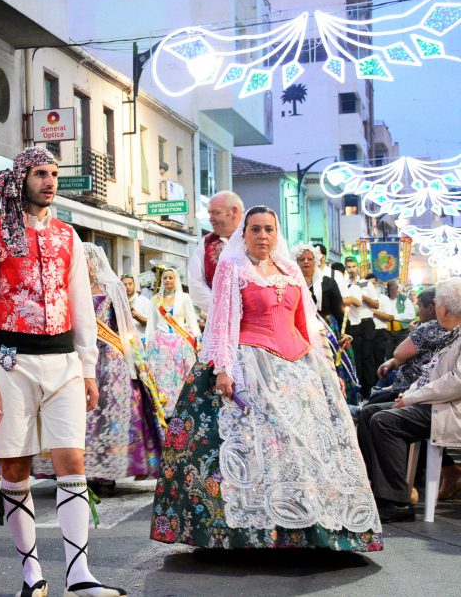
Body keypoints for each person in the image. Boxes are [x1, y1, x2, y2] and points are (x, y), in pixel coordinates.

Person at [150, 206, 382, 551]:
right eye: (255, 229)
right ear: (244, 234)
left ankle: (314, 526)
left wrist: (322, 364)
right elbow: (224, 319)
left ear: (277, 234)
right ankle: (264, 530)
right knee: (265, 445)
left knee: (305, 445)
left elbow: (304, 320)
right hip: (250, 363)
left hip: (296, 366)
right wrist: (224, 369)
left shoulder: (289, 268)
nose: (262, 236)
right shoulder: (233, 267)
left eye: (268, 229)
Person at [0, 147, 124, 597]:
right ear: (21, 179)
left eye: (54, 174)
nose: (49, 181)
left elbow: (82, 307)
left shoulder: (69, 237)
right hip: (10, 364)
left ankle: (79, 574)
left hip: (64, 365)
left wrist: (89, 367)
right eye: (40, 173)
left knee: (72, 460)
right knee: (15, 467)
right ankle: (32, 572)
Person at [36, 244, 165, 492]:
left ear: (95, 263)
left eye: (85, 261)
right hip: (77, 356)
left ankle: (106, 472)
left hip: (109, 360)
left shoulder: (112, 288)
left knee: (107, 417)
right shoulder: (68, 287)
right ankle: (78, 468)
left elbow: (125, 326)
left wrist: (133, 362)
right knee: (77, 415)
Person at [361, 278, 461, 522]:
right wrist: (409, 395)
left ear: (444, 308)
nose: (433, 307)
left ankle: (398, 501)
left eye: (436, 303)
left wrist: (412, 397)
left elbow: (455, 381)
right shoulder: (452, 332)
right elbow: (430, 373)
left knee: (385, 421)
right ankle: (378, 488)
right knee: (369, 412)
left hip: (447, 407)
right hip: (433, 401)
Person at [293, 243, 358, 405]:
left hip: (327, 330)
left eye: (310, 259)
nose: (306, 262)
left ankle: (340, 402)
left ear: (316, 261)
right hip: (300, 331)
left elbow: (339, 310)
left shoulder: (327, 282)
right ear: (295, 261)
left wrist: (346, 333)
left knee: (332, 366)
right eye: (301, 259)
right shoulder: (291, 283)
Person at [144, 267, 200, 417]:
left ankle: (180, 408)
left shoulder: (184, 298)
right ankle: (162, 407)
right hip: (160, 343)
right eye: (165, 278)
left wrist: (197, 337)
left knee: (180, 376)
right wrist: (147, 342)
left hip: (179, 342)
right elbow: (151, 323)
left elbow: (192, 320)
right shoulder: (156, 299)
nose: (168, 280)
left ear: (175, 280)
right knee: (161, 376)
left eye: (170, 278)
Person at [188, 191, 244, 315]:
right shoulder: (205, 244)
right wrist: (223, 310)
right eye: (210, 213)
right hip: (220, 320)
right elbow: (195, 284)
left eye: (216, 212)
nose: (211, 218)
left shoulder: (255, 238)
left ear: (234, 212)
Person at [343, 259, 381, 397]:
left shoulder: (366, 283)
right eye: (348, 267)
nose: (351, 269)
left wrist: (361, 294)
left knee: (368, 357)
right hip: (353, 324)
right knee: (356, 358)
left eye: (353, 267)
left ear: (357, 268)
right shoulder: (344, 283)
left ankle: (369, 390)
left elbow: (376, 304)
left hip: (366, 323)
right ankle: (358, 389)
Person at [121, 274, 151, 343]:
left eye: (130, 284)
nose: (127, 287)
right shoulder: (118, 303)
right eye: (124, 285)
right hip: (124, 342)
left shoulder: (144, 300)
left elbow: (150, 322)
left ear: (134, 285)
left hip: (141, 340)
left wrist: (138, 317)